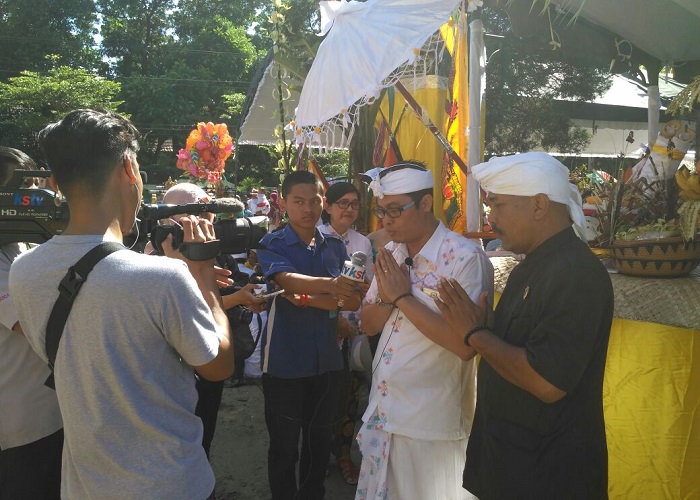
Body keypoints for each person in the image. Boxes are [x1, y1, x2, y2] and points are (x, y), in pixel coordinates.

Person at [9, 109, 233, 499]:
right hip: (172, 484)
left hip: (84, 486)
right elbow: (218, 366)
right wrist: (206, 283)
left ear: (58, 183)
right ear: (129, 168)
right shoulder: (164, 278)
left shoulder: (24, 272)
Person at [435, 152, 614, 499]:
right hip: (513, 465)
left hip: (549, 475)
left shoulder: (575, 273)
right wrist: (487, 328)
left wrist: (476, 334)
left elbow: (547, 381)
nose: (491, 217)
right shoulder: (533, 264)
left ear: (539, 205)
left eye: (498, 205)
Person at [356, 161, 493, 500]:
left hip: (430, 421)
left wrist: (402, 297)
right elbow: (368, 322)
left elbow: (465, 346)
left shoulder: (464, 259)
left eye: (394, 210)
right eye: (380, 210)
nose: (385, 220)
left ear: (426, 203)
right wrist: (390, 299)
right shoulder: (390, 252)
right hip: (385, 410)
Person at [256, 170, 362, 500]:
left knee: (318, 444)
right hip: (284, 364)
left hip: (328, 361)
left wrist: (311, 300)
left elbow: (354, 299)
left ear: (323, 203)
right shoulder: (272, 243)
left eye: (315, 201)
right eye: (299, 201)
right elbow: (286, 280)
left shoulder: (333, 246)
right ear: (284, 202)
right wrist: (331, 290)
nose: (308, 209)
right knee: (285, 447)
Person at [0, 147, 63, 499]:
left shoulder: (21, 244)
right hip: (20, 427)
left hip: (47, 415)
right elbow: (40, 328)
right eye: (27, 192)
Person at [317, 182, 373, 485]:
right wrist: (333, 317)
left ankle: (342, 453)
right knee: (317, 396)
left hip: (351, 332)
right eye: (342, 203)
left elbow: (369, 287)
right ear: (327, 206)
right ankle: (316, 453)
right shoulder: (313, 236)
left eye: (354, 203)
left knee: (347, 397)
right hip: (318, 329)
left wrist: (364, 292)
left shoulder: (362, 243)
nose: (349, 209)